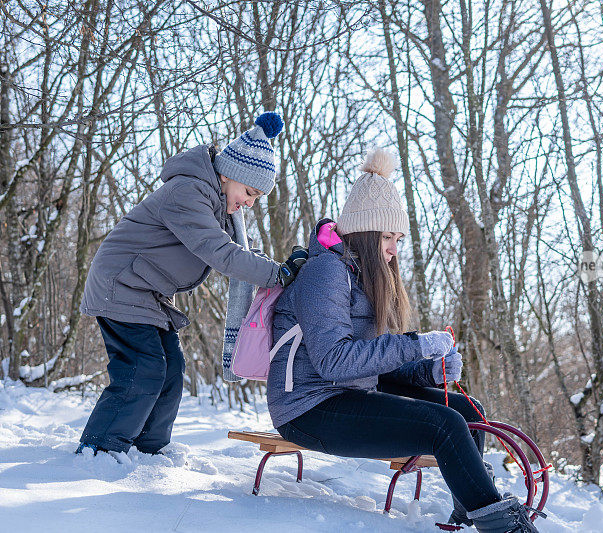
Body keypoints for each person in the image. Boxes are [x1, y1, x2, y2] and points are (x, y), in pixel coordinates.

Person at [267, 148, 538, 533]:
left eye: (399, 238)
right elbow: (334, 361)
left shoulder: (359, 272)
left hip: (350, 390)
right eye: (388, 238)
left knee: (467, 411)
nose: (395, 250)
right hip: (308, 408)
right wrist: (417, 343)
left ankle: (467, 514)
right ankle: (503, 526)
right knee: (444, 425)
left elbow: (374, 359)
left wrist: (429, 369)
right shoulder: (325, 272)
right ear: (364, 234)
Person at [76, 112, 307, 457]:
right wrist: (277, 274)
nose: (249, 203)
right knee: (144, 369)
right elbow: (220, 253)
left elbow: (240, 253)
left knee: (170, 371)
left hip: (148, 294)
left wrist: (284, 269)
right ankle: (100, 450)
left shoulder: (219, 206)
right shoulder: (189, 192)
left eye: (256, 198)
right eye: (249, 192)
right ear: (229, 174)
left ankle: (148, 450)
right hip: (121, 285)